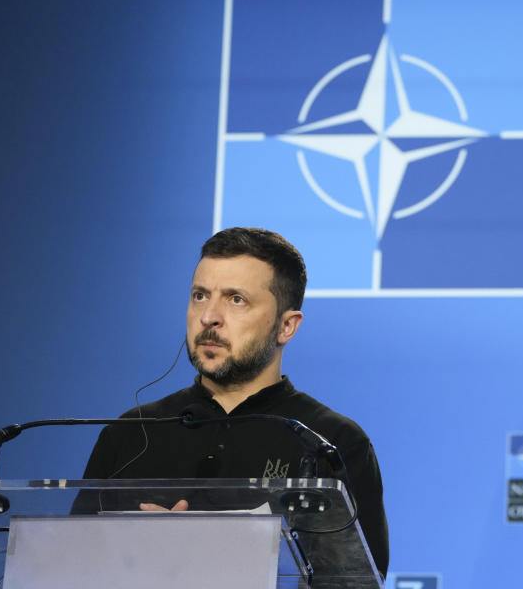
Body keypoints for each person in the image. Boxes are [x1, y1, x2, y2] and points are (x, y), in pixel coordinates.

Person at [78, 227, 389, 576]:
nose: (209, 316)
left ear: (287, 326)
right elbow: (68, 567)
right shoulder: (130, 433)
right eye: (199, 295)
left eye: (235, 299)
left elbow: (353, 582)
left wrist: (206, 557)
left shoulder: (331, 442)